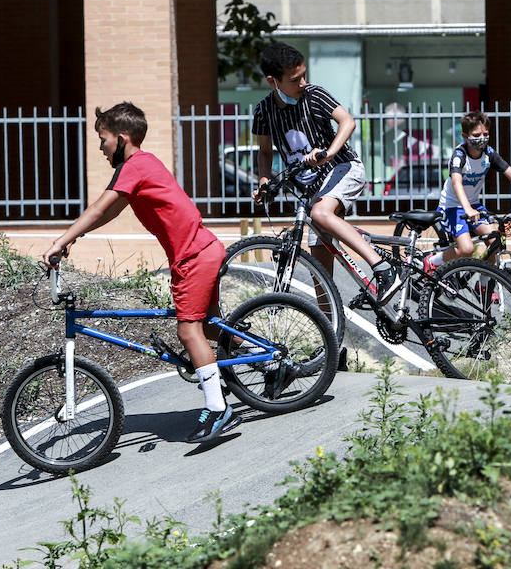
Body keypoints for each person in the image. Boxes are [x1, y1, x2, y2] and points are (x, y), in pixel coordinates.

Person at [42, 102, 238, 442]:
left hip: (194, 255)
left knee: (188, 331)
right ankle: (264, 363)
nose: (100, 148)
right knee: (207, 325)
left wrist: (61, 239)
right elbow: (110, 212)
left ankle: (218, 408)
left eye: (102, 140)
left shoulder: (134, 165)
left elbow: (100, 205)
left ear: (121, 139)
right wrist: (75, 238)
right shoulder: (140, 167)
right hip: (196, 252)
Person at [251, 41, 403, 302]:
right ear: (273, 81)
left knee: (320, 214)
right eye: (294, 79)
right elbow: (264, 152)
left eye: (304, 76)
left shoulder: (314, 95)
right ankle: (331, 334)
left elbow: (348, 121)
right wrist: (265, 182)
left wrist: (328, 152)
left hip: (344, 168)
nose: (302, 83)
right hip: (313, 189)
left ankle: (384, 269)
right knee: (319, 262)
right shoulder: (264, 111)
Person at [424, 111, 511, 271]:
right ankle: (432, 261)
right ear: (465, 136)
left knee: (497, 242)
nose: (482, 138)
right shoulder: (459, 156)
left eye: (485, 134)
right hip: (452, 206)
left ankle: (484, 283)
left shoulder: (489, 154)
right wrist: (467, 209)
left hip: (473, 206)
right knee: (466, 249)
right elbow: (456, 183)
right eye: (476, 134)